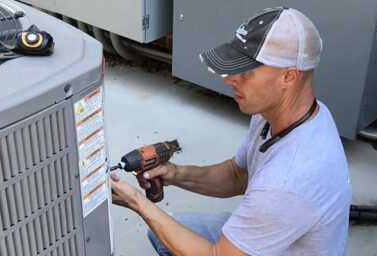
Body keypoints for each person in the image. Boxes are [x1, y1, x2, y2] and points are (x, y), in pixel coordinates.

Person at [109, 7, 352, 255]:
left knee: (164, 232)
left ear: (288, 77)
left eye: (246, 71)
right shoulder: (296, 113)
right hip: (276, 230)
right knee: (162, 233)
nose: (229, 78)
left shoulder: (287, 182)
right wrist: (174, 173)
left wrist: (136, 202)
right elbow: (238, 175)